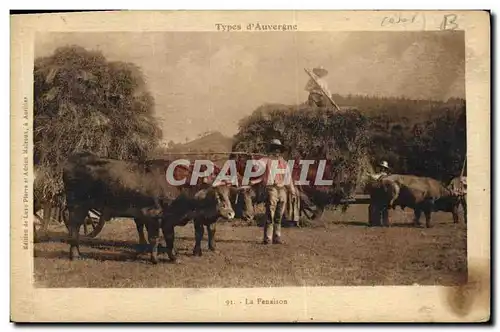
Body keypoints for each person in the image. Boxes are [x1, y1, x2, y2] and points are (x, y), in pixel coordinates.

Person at [254, 139, 296, 244]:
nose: (276, 151)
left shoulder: (284, 163)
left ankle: (277, 237)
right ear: (272, 150)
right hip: (271, 189)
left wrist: (292, 191)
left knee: (279, 215)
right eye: (274, 149)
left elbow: (288, 179)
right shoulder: (266, 160)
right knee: (270, 214)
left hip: (282, 190)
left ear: (280, 151)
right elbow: (256, 166)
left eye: (278, 149)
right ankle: (268, 238)